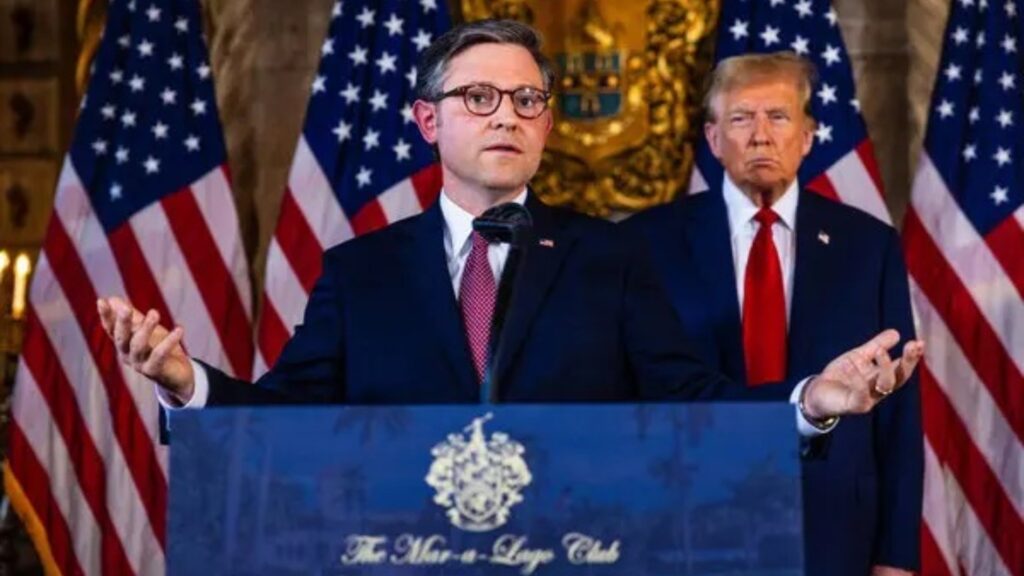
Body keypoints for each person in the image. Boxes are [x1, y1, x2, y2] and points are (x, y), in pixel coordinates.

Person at [96, 21, 921, 435]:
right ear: (428, 120)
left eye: (528, 100)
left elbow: (690, 404)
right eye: (480, 98)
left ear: (548, 125)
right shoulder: (361, 272)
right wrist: (185, 382)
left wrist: (810, 400)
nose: (507, 116)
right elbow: (287, 414)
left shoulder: (610, 257)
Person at [625, 52, 922, 576]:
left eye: (778, 117)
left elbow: (897, 413)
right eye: (741, 118)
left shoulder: (868, 245)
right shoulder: (644, 243)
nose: (761, 136)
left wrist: (895, 557)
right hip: (687, 519)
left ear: (806, 137)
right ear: (714, 138)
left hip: (834, 526)